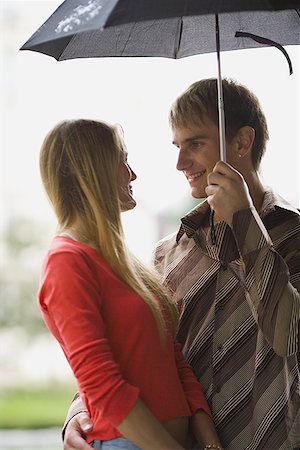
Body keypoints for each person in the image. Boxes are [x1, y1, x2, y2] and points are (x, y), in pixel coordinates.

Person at [62, 79, 300, 450]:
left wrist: (246, 225)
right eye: (177, 146)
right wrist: (81, 409)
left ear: (241, 142)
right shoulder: (167, 254)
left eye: (195, 144)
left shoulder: (295, 236)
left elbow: (292, 337)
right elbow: (133, 348)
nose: (179, 163)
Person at [38, 118, 223, 450]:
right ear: (93, 170)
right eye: (123, 160)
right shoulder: (66, 261)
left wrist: (209, 441)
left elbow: (172, 358)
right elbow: (102, 387)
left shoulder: (123, 261)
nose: (132, 174)